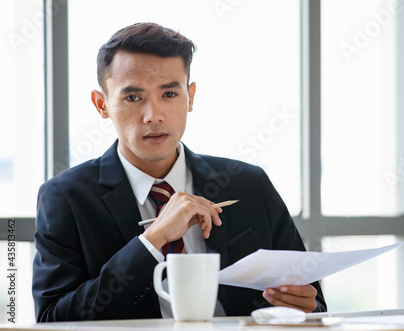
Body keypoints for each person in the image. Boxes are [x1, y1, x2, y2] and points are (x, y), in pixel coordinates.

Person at [32, 22, 327, 322]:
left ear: (191, 97)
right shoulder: (66, 198)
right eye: (133, 98)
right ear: (102, 104)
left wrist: (303, 308)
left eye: (170, 94)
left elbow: (314, 304)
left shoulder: (250, 185)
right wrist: (152, 239)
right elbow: (52, 320)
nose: (154, 115)